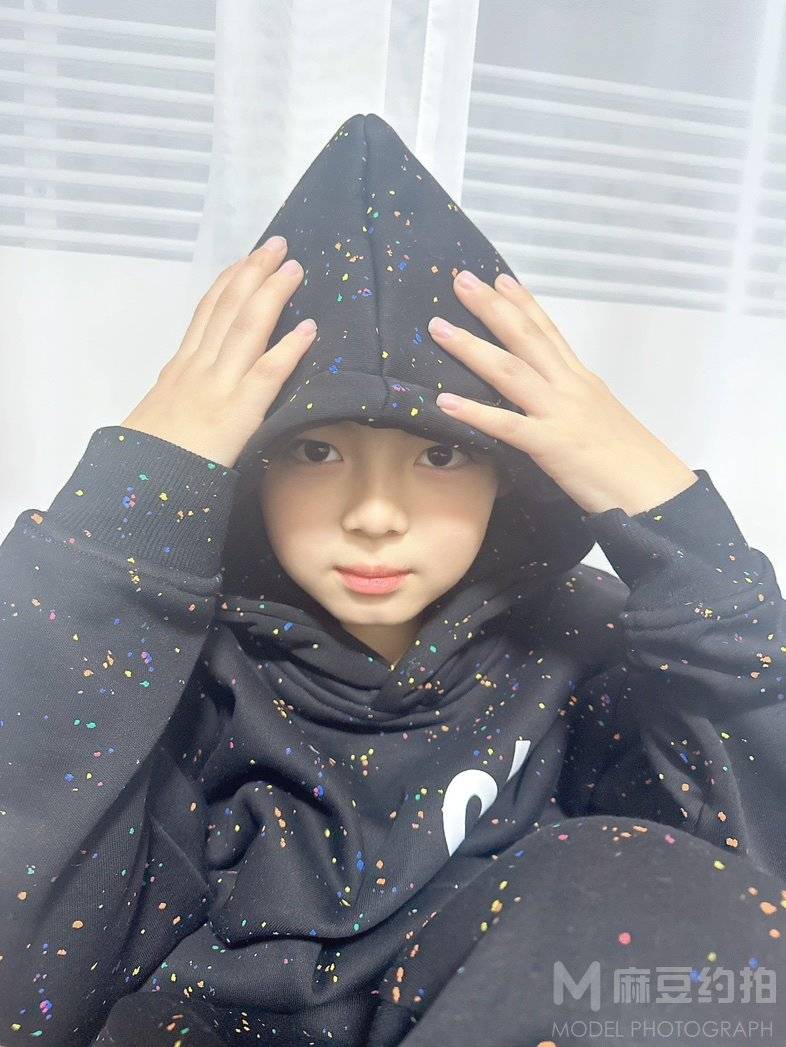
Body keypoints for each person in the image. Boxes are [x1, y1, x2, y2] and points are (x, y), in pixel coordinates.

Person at [0, 113, 784, 1047]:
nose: (375, 512)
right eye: (315, 450)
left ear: (511, 472)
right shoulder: (176, 674)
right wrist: (128, 510)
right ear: (251, 468)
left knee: (655, 897)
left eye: (441, 453)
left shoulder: (579, 644)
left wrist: (678, 527)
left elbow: (745, 903)